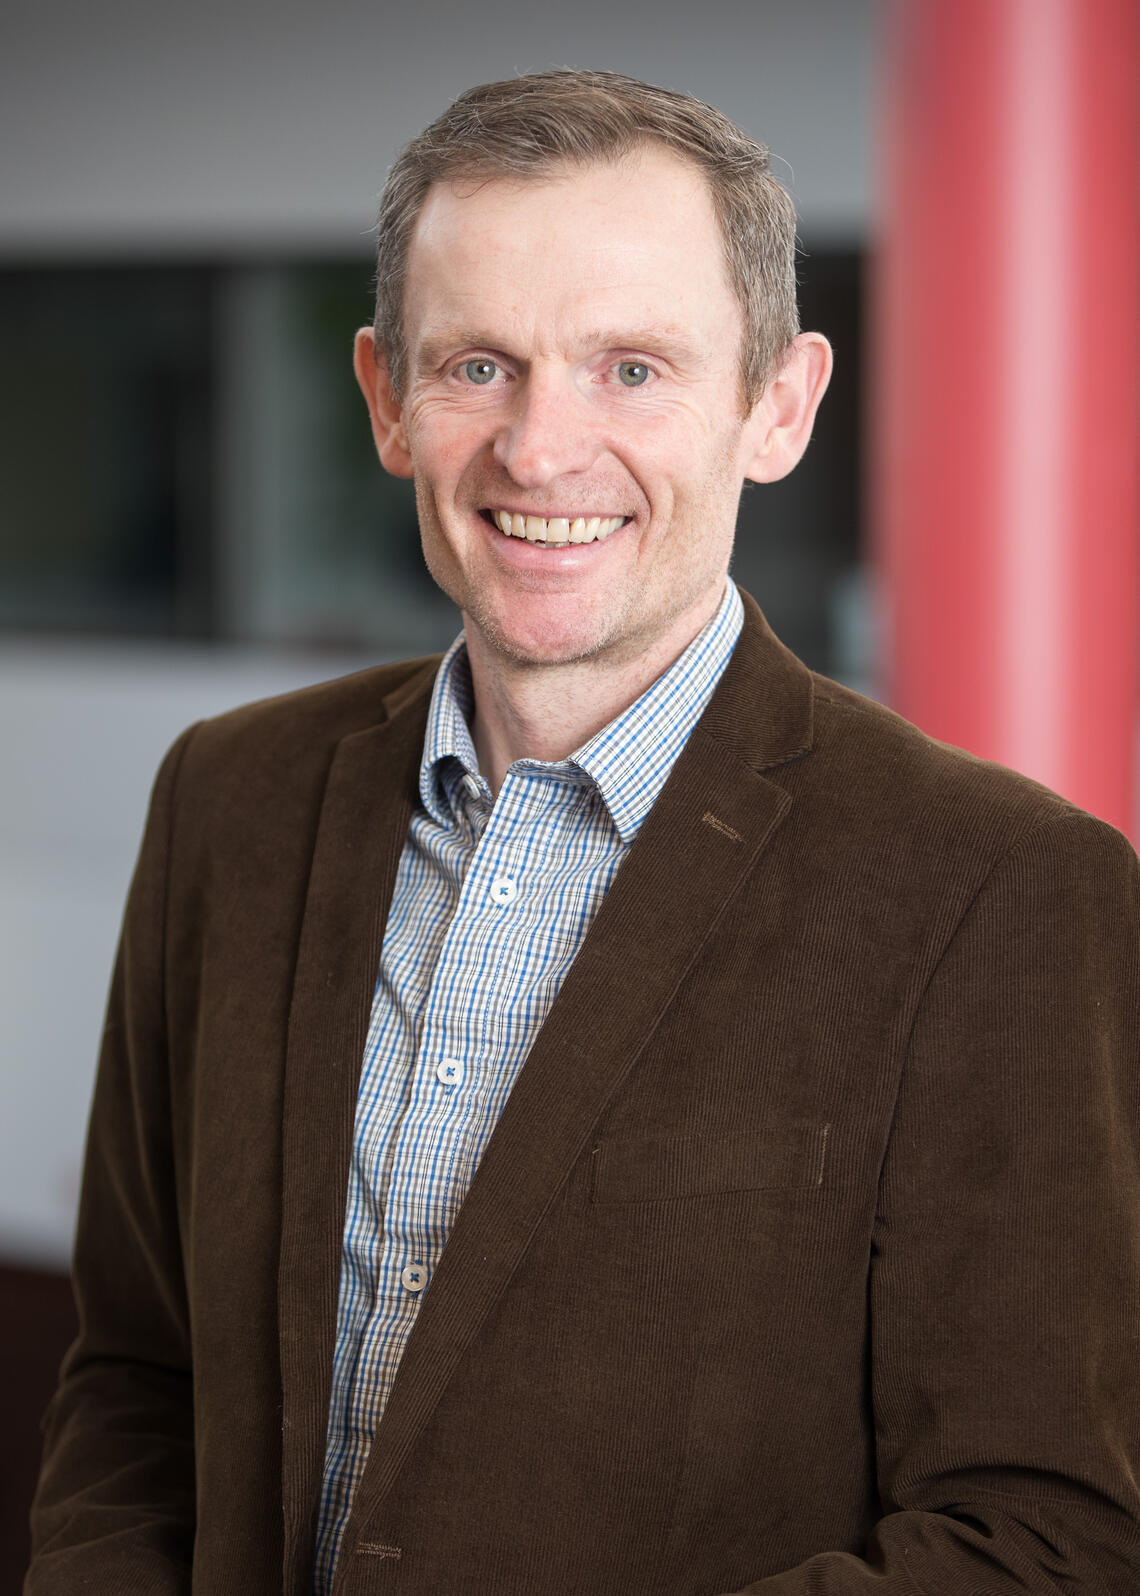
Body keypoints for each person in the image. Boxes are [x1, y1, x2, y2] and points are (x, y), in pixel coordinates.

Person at [25, 69, 1140, 1596]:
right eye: (479, 364)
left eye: (632, 368)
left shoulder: (1002, 890)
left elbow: (1046, 1537)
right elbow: (137, 1382)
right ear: (384, 401)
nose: (542, 451)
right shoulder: (228, 798)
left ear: (780, 405)